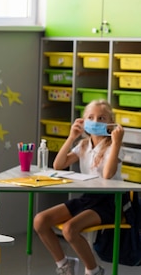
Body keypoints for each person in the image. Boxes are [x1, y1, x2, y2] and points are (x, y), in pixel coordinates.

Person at [34, 99, 124, 275]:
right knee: (40, 221)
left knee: (70, 229)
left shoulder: (114, 146)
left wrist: (117, 142)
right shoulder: (83, 145)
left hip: (110, 201)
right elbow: (59, 164)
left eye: (102, 118)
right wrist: (71, 137)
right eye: (91, 117)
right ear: (84, 121)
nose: (96, 121)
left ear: (111, 123)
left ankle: (94, 270)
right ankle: (64, 265)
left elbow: (107, 174)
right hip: (88, 197)